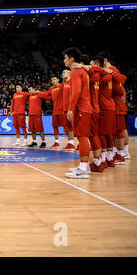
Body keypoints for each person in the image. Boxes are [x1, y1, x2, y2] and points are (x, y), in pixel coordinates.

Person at [63, 48, 92, 179]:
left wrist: (70, 109)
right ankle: (84, 166)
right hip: (85, 107)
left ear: (71, 59)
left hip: (81, 109)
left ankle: (83, 168)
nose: (64, 61)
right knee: (82, 137)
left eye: (65, 58)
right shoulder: (83, 71)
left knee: (82, 137)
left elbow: (76, 92)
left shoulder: (75, 72)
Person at [37, 76, 65, 149]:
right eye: (52, 80)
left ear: (58, 80)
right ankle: (57, 142)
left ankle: (71, 142)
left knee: (66, 126)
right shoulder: (52, 88)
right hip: (55, 110)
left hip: (63, 109)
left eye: (54, 79)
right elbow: (46, 95)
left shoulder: (62, 85)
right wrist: (39, 93)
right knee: (54, 125)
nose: (53, 81)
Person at [61, 70, 76, 150]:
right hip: (65, 108)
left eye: (65, 72)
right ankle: (71, 144)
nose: (63, 73)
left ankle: (81, 144)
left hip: (71, 109)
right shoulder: (64, 84)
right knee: (68, 127)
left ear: (70, 73)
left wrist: (72, 108)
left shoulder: (73, 82)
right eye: (63, 72)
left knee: (76, 127)